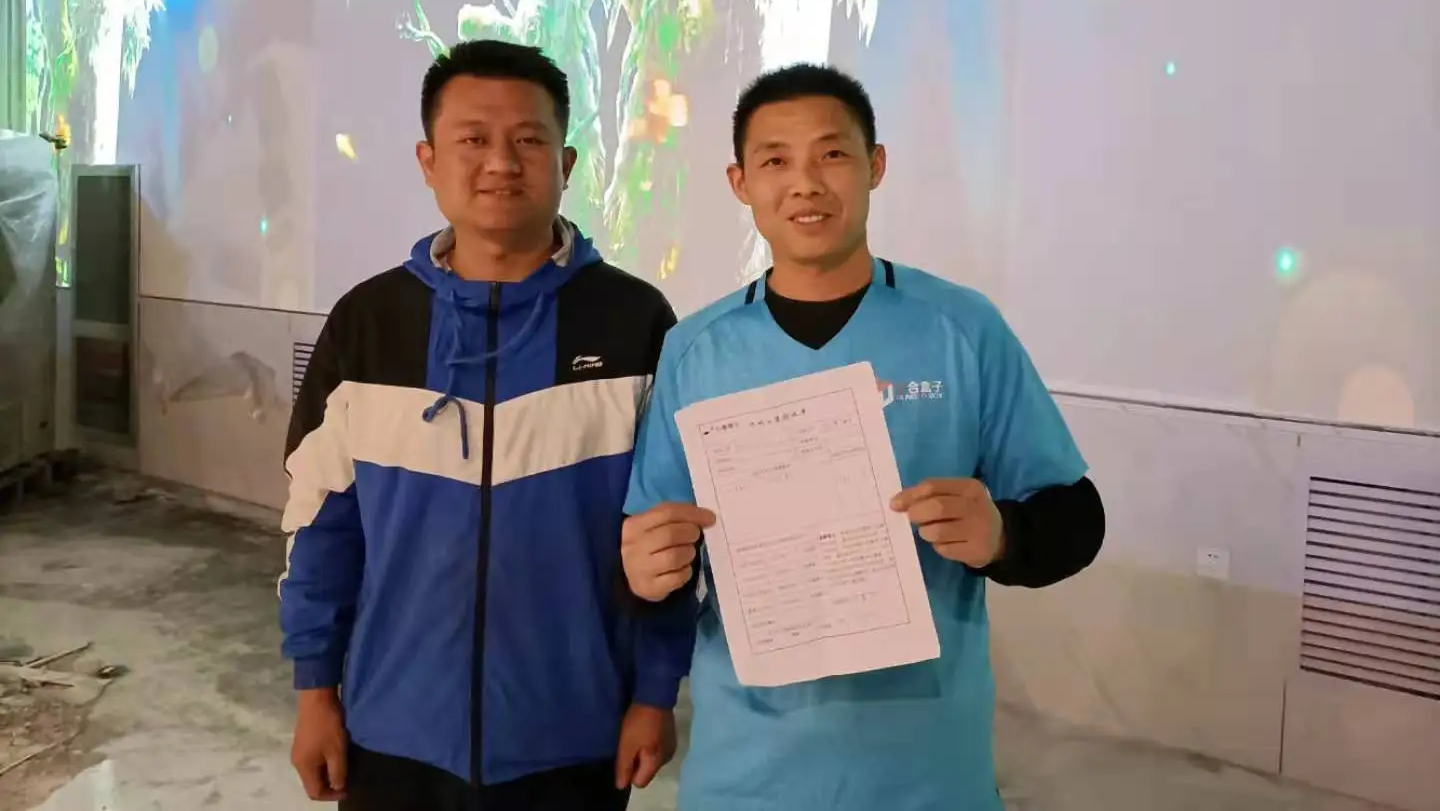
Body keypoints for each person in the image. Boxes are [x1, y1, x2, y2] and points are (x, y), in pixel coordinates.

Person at [620, 63, 1107, 811]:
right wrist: (647, 567)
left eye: (832, 154)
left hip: (925, 772)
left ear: (876, 165)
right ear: (739, 182)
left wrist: (1004, 535)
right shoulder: (696, 350)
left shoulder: (961, 329)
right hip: (745, 773)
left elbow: (1075, 516)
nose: (805, 184)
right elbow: (657, 540)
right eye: (775, 161)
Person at [280, 40, 690, 810]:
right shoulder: (369, 324)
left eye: (528, 140)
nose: (501, 162)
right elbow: (323, 528)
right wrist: (315, 692)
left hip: (574, 736)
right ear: (428, 160)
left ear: (565, 163)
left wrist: (654, 693)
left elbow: (667, 534)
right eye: (473, 139)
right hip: (389, 731)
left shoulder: (635, 323)